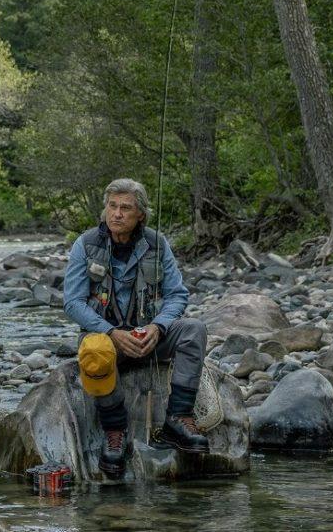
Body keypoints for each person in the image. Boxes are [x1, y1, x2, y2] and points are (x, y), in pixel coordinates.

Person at [63, 178, 209, 480]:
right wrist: (110, 332)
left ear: (140, 215)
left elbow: (177, 294)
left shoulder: (158, 243)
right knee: (94, 349)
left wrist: (159, 326)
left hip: (150, 337)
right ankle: (115, 433)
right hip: (108, 341)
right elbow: (73, 303)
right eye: (112, 206)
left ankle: (178, 419)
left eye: (126, 208)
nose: (116, 214)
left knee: (194, 329)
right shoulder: (85, 244)